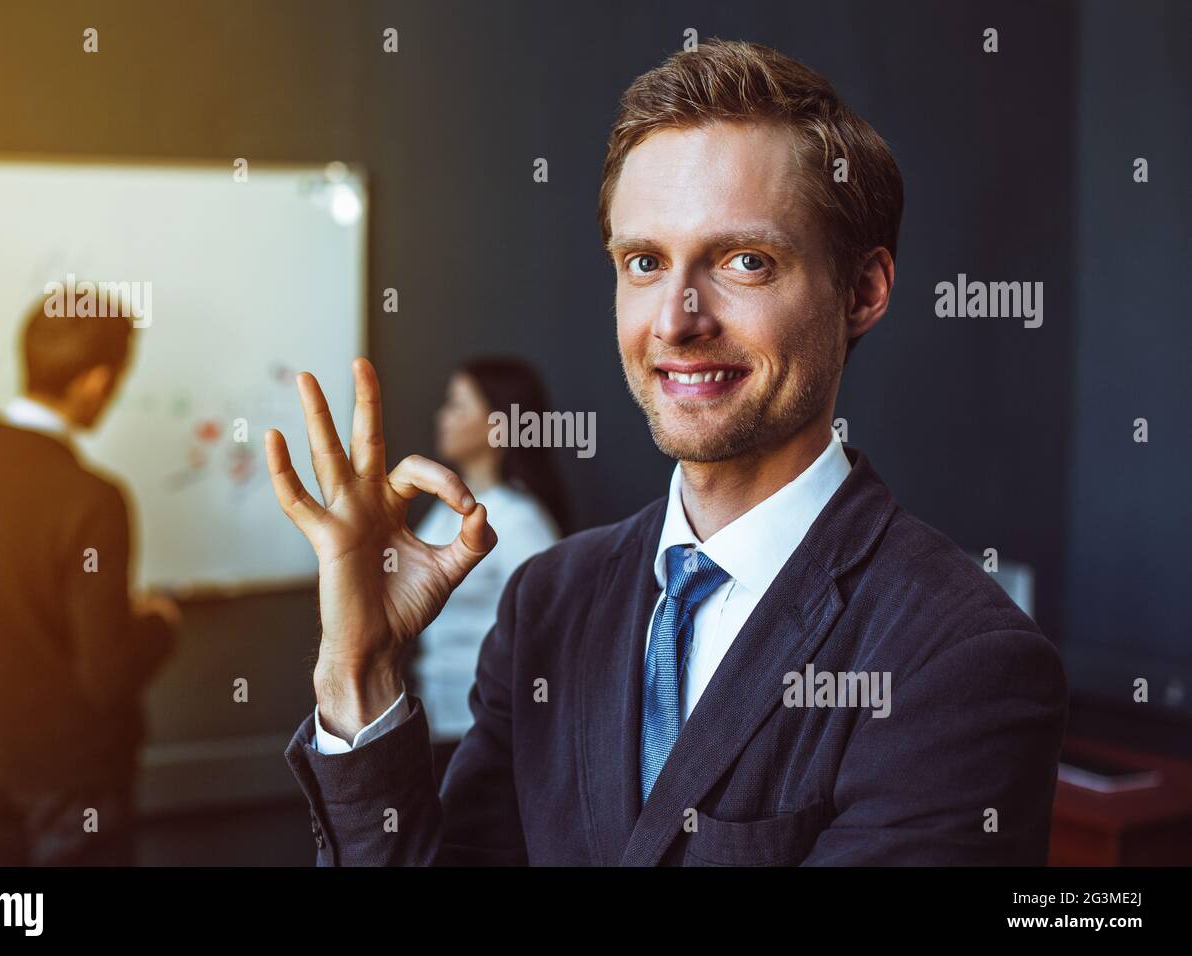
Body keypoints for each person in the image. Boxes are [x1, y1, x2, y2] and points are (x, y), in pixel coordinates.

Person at [268, 39, 1067, 866]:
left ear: (863, 290)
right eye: (645, 262)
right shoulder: (549, 604)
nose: (678, 320)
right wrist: (357, 673)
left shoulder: (959, 660)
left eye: (745, 261)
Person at [0, 296, 179, 865]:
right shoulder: (93, 500)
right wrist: (159, 623)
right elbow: (106, 677)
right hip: (78, 772)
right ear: (96, 381)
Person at [409, 359, 564, 779]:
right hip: (438, 723)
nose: (442, 416)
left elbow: (551, 634)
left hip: (485, 736)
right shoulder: (443, 513)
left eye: (458, 405)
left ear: (499, 423)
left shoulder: (519, 520)